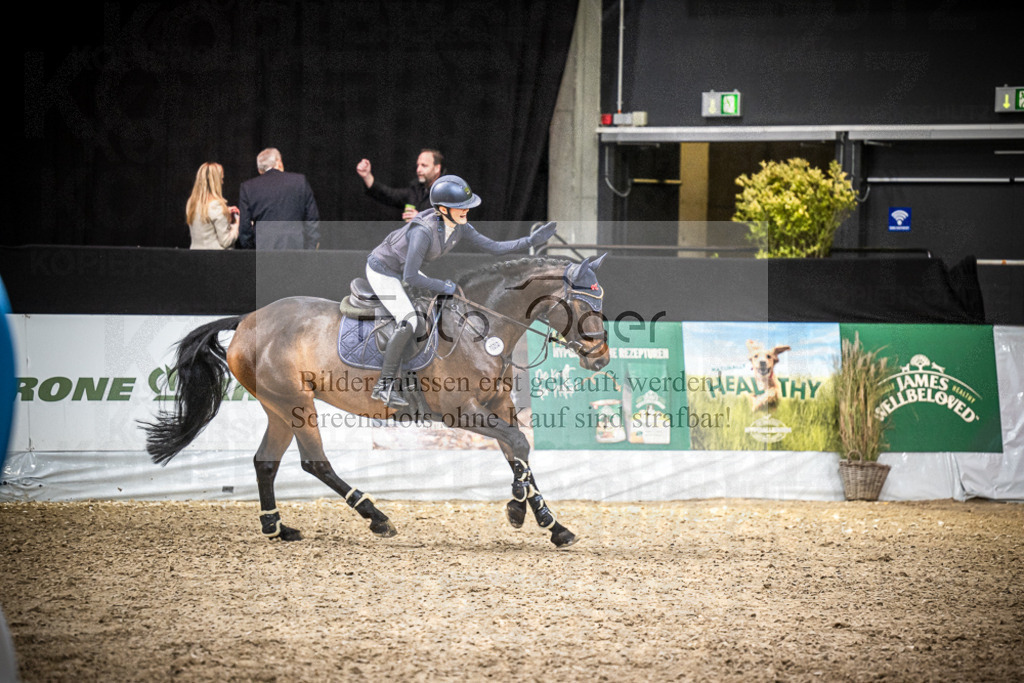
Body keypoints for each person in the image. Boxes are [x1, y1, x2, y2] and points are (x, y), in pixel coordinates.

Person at [365, 174, 557, 408]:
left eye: (467, 205)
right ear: (443, 209)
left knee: (444, 309)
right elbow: (410, 277)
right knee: (410, 321)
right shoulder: (423, 231)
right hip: (384, 271)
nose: (467, 210)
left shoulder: (459, 226)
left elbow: (494, 248)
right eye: (461, 207)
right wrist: (445, 286)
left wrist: (530, 240)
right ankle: (384, 385)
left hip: (404, 268)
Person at [238, 148, 321, 250]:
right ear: (279, 163)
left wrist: (251, 250)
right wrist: (310, 248)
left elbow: (245, 227)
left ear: (260, 170)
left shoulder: (248, 187)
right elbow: (312, 219)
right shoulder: (300, 182)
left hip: (263, 250)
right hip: (295, 247)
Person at [356, 149, 444, 222]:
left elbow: (451, 223)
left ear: (437, 168)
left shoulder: (449, 191)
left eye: (424, 166)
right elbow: (389, 195)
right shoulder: (416, 189)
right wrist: (367, 176)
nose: (418, 170)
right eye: (418, 165)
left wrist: (421, 219)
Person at [186, 162, 239, 249]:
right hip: (215, 259)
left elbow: (206, 221)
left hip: (195, 257)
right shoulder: (216, 206)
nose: (222, 182)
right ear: (215, 182)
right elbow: (226, 241)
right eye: (221, 179)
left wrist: (225, 213)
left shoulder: (191, 202)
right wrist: (237, 224)